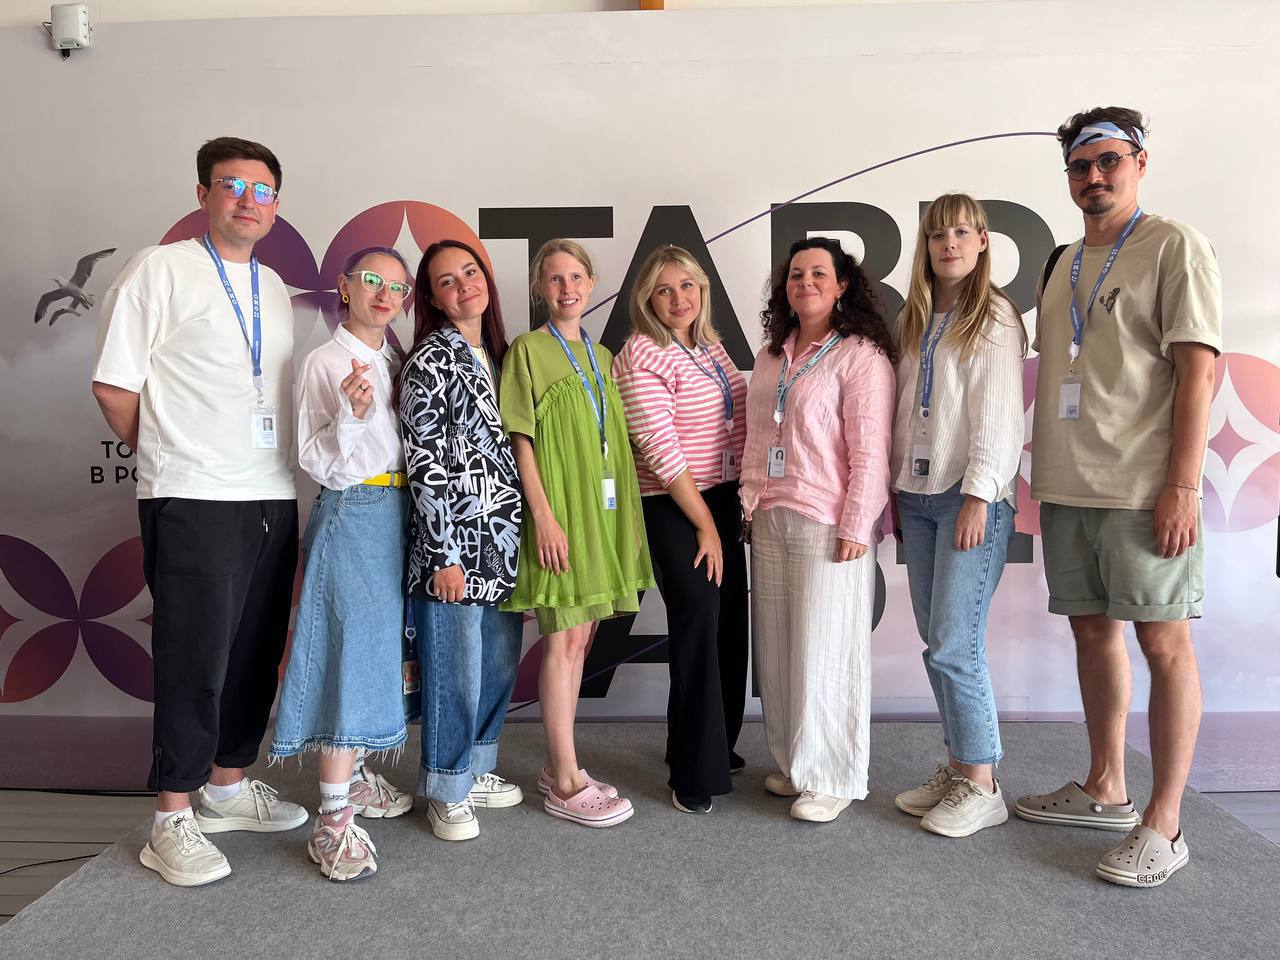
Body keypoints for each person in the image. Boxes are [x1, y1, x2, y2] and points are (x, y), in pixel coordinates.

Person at [91, 137, 307, 887]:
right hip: (194, 496)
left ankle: (227, 787)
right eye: (232, 184)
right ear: (203, 194)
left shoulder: (274, 285)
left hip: (271, 492)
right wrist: (172, 456)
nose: (249, 200)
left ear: (276, 205)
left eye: (263, 190)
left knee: (254, 651)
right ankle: (172, 816)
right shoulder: (160, 268)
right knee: (195, 657)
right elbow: (115, 387)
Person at [1016, 108, 1221, 888]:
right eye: (1080, 165)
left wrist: (1181, 486)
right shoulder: (1062, 261)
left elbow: (1198, 371)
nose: (1094, 177)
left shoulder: (1173, 245)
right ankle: (1106, 785)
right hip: (1068, 483)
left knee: (1164, 645)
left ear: (1139, 162)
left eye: (1108, 161)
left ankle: (1165, 823)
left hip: (1143, 489)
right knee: (1091, 632)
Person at [268, 246, 415, 881]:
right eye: (372, 281)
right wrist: (351, 417)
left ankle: (352, 776)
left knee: (377, 650)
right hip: (353, 509)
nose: (385, 294)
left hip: (397, 510)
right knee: (348, 653)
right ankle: (332, 819)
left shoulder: (398, 360)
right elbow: (316, 461)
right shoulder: (325, 362)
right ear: (345, 287)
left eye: (397, 286)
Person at [500, 238, 655, 828]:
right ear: (540, 288)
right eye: (555, 278)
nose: (567, 288)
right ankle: (565, 781)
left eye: (576, 278)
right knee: (563, 640)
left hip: (603, 513)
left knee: (582, 638)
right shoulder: (528, 351)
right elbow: (520, 438)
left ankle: (554, 765)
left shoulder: (604, 354)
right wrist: (542, 515)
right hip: (560, 513)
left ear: (591, 284)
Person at [740, 236, 895, 823]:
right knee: (779, 648)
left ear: (842, 285)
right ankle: (796, 762)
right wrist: (749, 501)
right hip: (770, 513)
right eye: (796, 274)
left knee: (826, 648)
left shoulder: (860, 356)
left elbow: (870, 450)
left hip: (828, 519)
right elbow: (758, 436)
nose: (805, 282)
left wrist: (858, 522)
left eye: (818, 274)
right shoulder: (771, 356)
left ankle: (832, 776)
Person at [889, 194, 1026, 838]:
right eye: (938, 234)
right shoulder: (914, 317)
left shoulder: (992, 316)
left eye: (962, 233)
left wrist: (980, 494)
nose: (949, 244)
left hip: (969, 497)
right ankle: (957, 766)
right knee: (935, 638)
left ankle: (983, 783)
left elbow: (1000, 415)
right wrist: (896, 487)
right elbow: (905, 410)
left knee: (954, 642)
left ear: (982, 242)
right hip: (917, 496)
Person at [613, 245, 749, 815]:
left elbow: (736, 426)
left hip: (721, 500)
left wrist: (740, 505)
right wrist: (705, 525)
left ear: (702, 290)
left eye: (687, 286)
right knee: (697, 626)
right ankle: (692, 771)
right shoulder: (642, 352)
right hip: (673, 505)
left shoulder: (710, 345)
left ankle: (715, 745)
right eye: (664, 290)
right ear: (647, 298)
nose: (678, 299)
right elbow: (658, 448)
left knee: (728, 626)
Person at [400, 240, 526, 841]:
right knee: (454, 672)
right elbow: (423, 462)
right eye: (446, 281)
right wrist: (442, 553)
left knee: (496, 662)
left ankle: (474, 768)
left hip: (502, 541)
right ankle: (446, 786)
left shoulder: (502, 357)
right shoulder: (430, 360)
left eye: (470, 272)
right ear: (433, 299)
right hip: (452, 545)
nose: (463, 285)